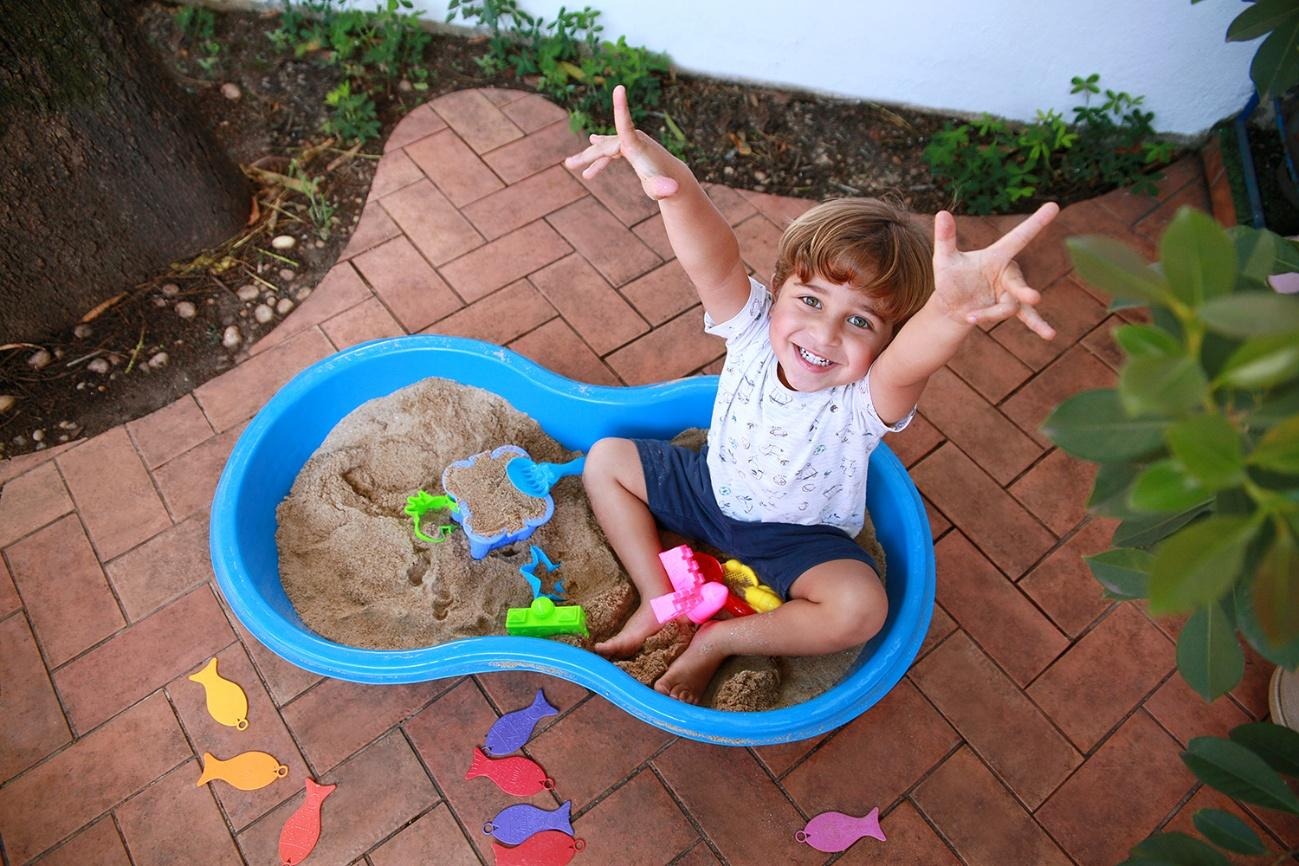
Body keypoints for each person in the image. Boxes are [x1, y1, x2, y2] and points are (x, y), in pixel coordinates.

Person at [567, 85, 1058, 704]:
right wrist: (675, 184)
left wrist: (952, 311)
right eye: (809, 300)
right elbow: (712, 258)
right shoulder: (751, 331)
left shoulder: (865, 399)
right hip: (710, 492)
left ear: (885, 341)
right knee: (607, 458)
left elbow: (911, 362)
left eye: (861, 322)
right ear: (778, 289)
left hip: (798, 540)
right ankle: (657, 595)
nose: (824, 333)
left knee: (861, 608)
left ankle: (721, 640)